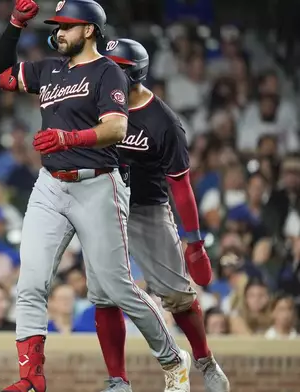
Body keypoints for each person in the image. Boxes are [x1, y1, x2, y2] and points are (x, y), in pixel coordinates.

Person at [0, 1, 191, 391]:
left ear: (90, 30)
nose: (59, 32)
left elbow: (115, 128)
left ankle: (171, 356)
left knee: (116, 288)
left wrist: (70, 137)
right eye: (57, 26)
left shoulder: (107, 71)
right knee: (29, 282)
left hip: (98, 183)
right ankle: (31, 378)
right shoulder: (49, 68)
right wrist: (14, 25)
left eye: (67, 26)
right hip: (50, 184)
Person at [98, 39, 230, 392]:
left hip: (147, 208)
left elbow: (182, 185)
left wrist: (195, 242)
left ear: (129, 74)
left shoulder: (163, 121)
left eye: (110, 68)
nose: (101, 72)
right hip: (103, 205)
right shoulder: (96, 104)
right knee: (104, 293)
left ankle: (204, 359)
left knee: (178, 296)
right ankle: (117, 380)